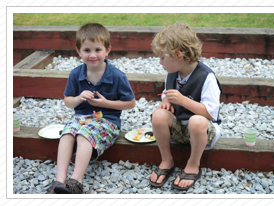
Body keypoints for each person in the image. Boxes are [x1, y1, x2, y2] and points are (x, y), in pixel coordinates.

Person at [46, 23, 135, 194]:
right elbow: (68, 102)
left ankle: (76, 182)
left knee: (83, 133)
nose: (92, 55)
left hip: (107, 121)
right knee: (67, 133)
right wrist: (79, 98)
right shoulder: (75, 74)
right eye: (87, 50)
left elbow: (130, 103)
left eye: (97, 50)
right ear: (78, 51)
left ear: (107, 50)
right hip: (81, 117)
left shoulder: (116, 76)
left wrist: (104, 103)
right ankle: (59, 180)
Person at [149, 22, 222, 191]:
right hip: (178, 130)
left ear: (178, 54)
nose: (160, 62)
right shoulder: (172, 73)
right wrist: (166, 102)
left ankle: (193, 164)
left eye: (162, 57)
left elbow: (211, 113)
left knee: (197, 120)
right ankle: (167, 160)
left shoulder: (206, 77)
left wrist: (183, 101)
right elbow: (167, 93)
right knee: (158, 115)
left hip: (202, 132)